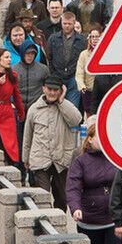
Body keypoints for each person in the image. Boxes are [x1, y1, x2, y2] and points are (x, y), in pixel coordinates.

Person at [67, 123, 122, 244]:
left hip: (114, 219)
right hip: (90, 219)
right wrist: (75, 207)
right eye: (100, 136)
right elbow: (73, 186)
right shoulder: (81, 161)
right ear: (90, 139)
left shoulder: (117, 158)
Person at [22, 75, 81, 209]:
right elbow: (28, 135)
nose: (52, 93)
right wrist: (25, 157)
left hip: (61, 160)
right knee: (42, 198)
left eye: (56, 90)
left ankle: (58, 226)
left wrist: (62, 101)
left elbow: (76, 120)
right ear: (44, 89)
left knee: (62, 197)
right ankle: (45, 226)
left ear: (61, 91)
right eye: (49, 89)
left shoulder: (65, 106)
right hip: (40, 158)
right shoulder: (34, 109)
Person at [46, 12, 87, 107]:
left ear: (74, 23)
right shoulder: (53, 38)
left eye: (69, 24)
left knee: (72, 107)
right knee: (55, 106)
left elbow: (84, 59)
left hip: (74, 76)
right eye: (65, 23)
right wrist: (53, 73)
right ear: (61, 22)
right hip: (57, 76)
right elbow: (49, 57)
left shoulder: (82, 40)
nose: (67, 26)